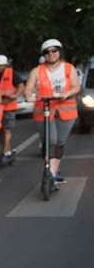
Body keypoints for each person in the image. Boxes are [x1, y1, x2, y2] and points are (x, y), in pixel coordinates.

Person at [24, 38, 80, 185]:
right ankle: (49, 170)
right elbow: (28, 89)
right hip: (44, 111)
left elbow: (76, 86)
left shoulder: (69, 68)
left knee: (60, 142)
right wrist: (29, 96)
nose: (51, 54)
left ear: (59, 52)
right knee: (51, 140)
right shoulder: (36, 71)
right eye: (47, 52)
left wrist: (67, 94)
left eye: (54, 50)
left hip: (66, 111)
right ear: (44, 55)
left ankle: (53, 172)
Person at [0, 54, 24, 162]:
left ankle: (5, 153)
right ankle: (3, 151)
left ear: (5, 65)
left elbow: (21, 86)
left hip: (9, 106)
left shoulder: (11, 73)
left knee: (6, 130)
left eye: (0, 66)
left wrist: (15, 95)